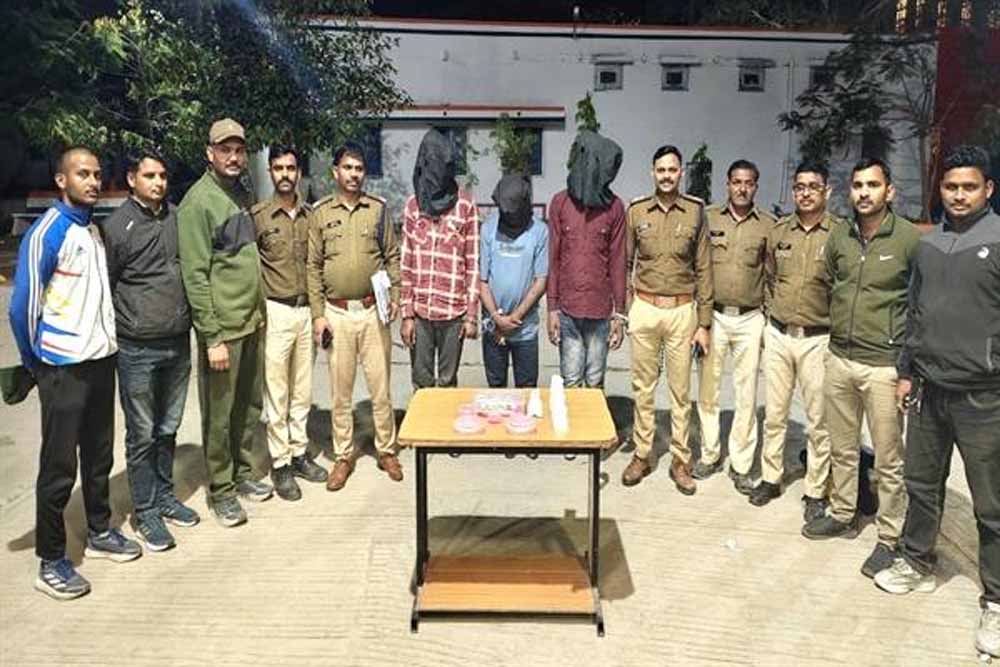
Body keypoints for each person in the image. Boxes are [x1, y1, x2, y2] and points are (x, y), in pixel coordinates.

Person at [873, 145, 1000, 659]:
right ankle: (916, 560)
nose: (959, 195)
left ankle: (997, 600)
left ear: (988, 189)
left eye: (969, 187)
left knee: (991, 504)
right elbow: (915, 312)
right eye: (951, 187)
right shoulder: (928, 245)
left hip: (984, 396)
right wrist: (906, 372)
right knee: (922, 484)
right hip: (928, 389)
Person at [9, 146, 141, 600]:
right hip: (62, 368)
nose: (92, 181)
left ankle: (100, 530)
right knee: (59, 467)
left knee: (99, 455)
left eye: (97, 174)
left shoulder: (92, 229)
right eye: (82, 174)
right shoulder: (47, 232)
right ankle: (51, 560)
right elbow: (21, 307)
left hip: (101, 361)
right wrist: (37, 363)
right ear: (61, 180)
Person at [802, 157, 921, 581]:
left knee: (888, 457)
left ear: (889, 191)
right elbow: (832, 283)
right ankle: (843, 512)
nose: (864, 192)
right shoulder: (841, 235)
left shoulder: (907, 239)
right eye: (858, 185)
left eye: (873, 185)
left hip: (883, 367)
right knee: (842, 446)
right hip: (839, 358)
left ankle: (889, 536)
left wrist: (907, 369)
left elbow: (918, 304)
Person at [99, 149, 199, 552]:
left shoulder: (176, 217)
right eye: (149, 176)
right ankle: (145, 511)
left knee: (168, 427)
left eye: (162, 176)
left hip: (177, 342)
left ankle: (165, 497)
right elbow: (106, 285)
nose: (158, 183)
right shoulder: (116, 227)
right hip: (137, 348)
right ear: (131, 179)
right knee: (141, 434)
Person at [178, 118, 271, 527]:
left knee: (248, 407)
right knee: (219, 414)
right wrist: (212, 337)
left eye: (238, 150)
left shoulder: (241, 193)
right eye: (224, 150)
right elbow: (196, 276)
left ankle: (243, 473)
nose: (233, 157)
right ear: (209, 153)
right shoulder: (198, 203)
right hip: (224, 330)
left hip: (251, 321)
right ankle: (221, 491)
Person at [309, 143, 403, 491]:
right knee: (341, 392)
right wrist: (318, 315)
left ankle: (386, 450)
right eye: (347, 168)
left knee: (381, 389)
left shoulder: (377, 209)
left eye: (359, 168)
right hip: (337, 313)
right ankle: (343, 456)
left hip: (372, 311)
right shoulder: (321, 212)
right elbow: (313, 266)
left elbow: (392, 256)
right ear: (335, 171)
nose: (353, 174)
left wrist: (396, 296)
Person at [621, 145, 713, 493]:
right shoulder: (636, 211)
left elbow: (704, 268)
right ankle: (642, 454)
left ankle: (680, 459)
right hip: (645, 308)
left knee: (680, 391)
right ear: (652, 173)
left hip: (681, 310)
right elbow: (625, 263)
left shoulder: (695, 211)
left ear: (681, 173)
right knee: (642, 388)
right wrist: (628, 307)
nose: (666, 176)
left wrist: (704, 323)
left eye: (672, 170)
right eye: (661, 170)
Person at [751, 161, 840, 518]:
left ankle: (816, 490)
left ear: (827, 191)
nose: (805, 193)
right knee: (774, 414)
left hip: (819, 338)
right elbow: (769, 277)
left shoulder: (840, 234)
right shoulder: (779, 231)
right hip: (779, 334)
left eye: (813, 187)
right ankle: (771, 477)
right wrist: (771, 317)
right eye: (800, 187)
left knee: (819, 420)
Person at [693, 160, 776, 495]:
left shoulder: (768, 225)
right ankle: (710, 455)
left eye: (749, 183)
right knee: (708, 390)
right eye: (737, 181)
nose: (742, 188)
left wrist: (767, 318)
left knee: (746, 394)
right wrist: (700, 320)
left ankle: (741, 464)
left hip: (750, 318)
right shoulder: (709, 218)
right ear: (727, 184)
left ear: (756, 186)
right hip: (713, 317)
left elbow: (772, 273)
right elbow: (698, 267)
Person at [252, 145, 328, 502]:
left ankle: (299, 454)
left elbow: (318, 266)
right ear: (271, 172)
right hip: (276, 311)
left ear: (299, 172)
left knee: (303, 390)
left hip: (306, 311)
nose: (285, 174)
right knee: (277, 392)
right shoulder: (259, 216)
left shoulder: (312, 215)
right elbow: (249, 267)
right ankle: (280, 463)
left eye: (291, 168)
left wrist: (319, 313)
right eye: (279, 168)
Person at [546, 130, 627, 388]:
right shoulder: (560, 203)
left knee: (594, 381)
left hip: (600, 311)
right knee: (571, 380)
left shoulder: (615, 207)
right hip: (568, 309)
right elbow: (554, 259)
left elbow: (618, 262)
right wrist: (552, 309)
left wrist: (620, 315)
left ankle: (595, 416)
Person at [400, 129, 479, 388]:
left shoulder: (465, 205)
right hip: (420, 313)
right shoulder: (413, 205)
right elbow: (406, 264)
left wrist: (471, 316)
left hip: (453, 312)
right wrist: (407, 315)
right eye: (431, 162)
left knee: (447, 384)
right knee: (421, 383)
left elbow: (473, 264)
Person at [479, 174, 548, 387]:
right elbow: (482, 281)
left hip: (525, 330)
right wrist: (497, 319)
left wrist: (514, 318)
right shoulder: (488, 229)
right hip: (493, 328)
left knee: (526, 390)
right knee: (496, 390)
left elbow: (540, 281)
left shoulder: (539, 231)